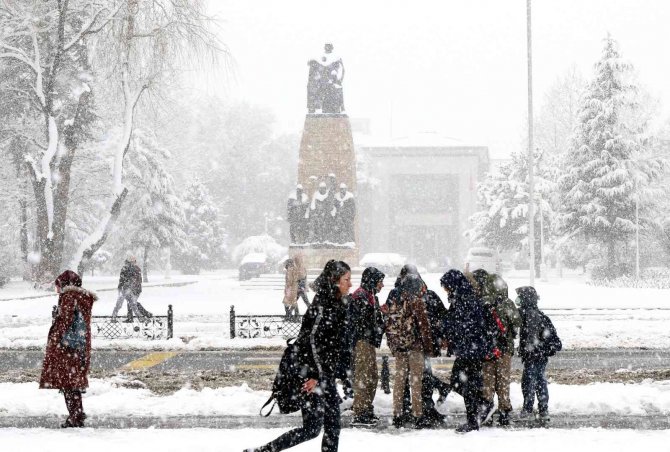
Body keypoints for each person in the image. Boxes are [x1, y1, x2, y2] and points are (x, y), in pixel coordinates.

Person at [244, 260, 352, 452]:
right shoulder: (323, 305)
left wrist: (341, 373)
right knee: (313, 429)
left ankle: (264, 451)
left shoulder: (338, 303)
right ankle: (264, 451)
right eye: (346, 279)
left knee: (331, 426)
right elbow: (312, 343)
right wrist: (316, 376)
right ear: (335, 281)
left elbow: (336, 345)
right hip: (314, 377)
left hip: (324, 375)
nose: (350, 284)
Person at [40, 270, 97, 428]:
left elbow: (64, 322)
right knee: (73, 382)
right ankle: (77, 413)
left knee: (68, 383)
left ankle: (75, 416)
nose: (57, 289)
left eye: (58, 285)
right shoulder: (83, 297)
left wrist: (55, 337)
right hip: (79, 347)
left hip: (67, 348)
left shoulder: (69, 297)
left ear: (65, 284)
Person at [440, 269, 495, 433]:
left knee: (467, 384)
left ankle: (473, 420)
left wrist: (452, 332)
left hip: (471, 349)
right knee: (458, 382)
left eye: (446, 288)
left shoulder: (466, 299)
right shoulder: (461, 298)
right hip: (467, 348)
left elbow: (468, 325)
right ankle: (484, 405)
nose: (446, 291)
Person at [386, 274, 435, 429]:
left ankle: (397, 415)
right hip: (415, 348)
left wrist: (394, 346)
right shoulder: (417, 302)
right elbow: (424, 327)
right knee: (416, 382)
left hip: (400, 348)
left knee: (399, 382)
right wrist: (428, 347)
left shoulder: (395, 301)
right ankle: (417, 415)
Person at [474, 272, 521, 427]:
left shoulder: (481, 303)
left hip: (487, 350)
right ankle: (504, 411)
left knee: (487, 382)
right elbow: (516, 324)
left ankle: (487, 409)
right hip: (504, 349)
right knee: (503, 382)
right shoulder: (507, 303)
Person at [516, 286, 562, 423]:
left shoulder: (530, 315)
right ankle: (543, 409)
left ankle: (528, 409)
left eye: (520, 297)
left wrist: (528, 351)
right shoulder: (536, 313)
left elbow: (531, 338)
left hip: (534, 355)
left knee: (529, 382)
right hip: (540, 355)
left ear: (525, 299)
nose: (517, 300)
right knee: (539, 380)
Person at [349, 267, 385, 426]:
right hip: (362, 342)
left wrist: (380, 313)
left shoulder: (369, 296)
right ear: (372, 281)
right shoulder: (361, 296)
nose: (382, 285)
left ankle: (366, 409)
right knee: (363, 376)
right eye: (380, 282)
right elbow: (363, 322)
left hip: (368, 342)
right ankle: (360, 413)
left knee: (372, 377)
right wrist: (378, 317)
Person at [112, 256, 151, 321]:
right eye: (130, 262)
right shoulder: (127, 269)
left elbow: (136, 280)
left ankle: (139, 316)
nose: (131, 263)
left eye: (133, 262)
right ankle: (137, 317)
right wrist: (121, 287)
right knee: (131, 304)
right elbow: (122, 279)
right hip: (127, 289)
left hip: (132, 289)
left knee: (132, 304)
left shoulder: (134, 269)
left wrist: (131, 286)